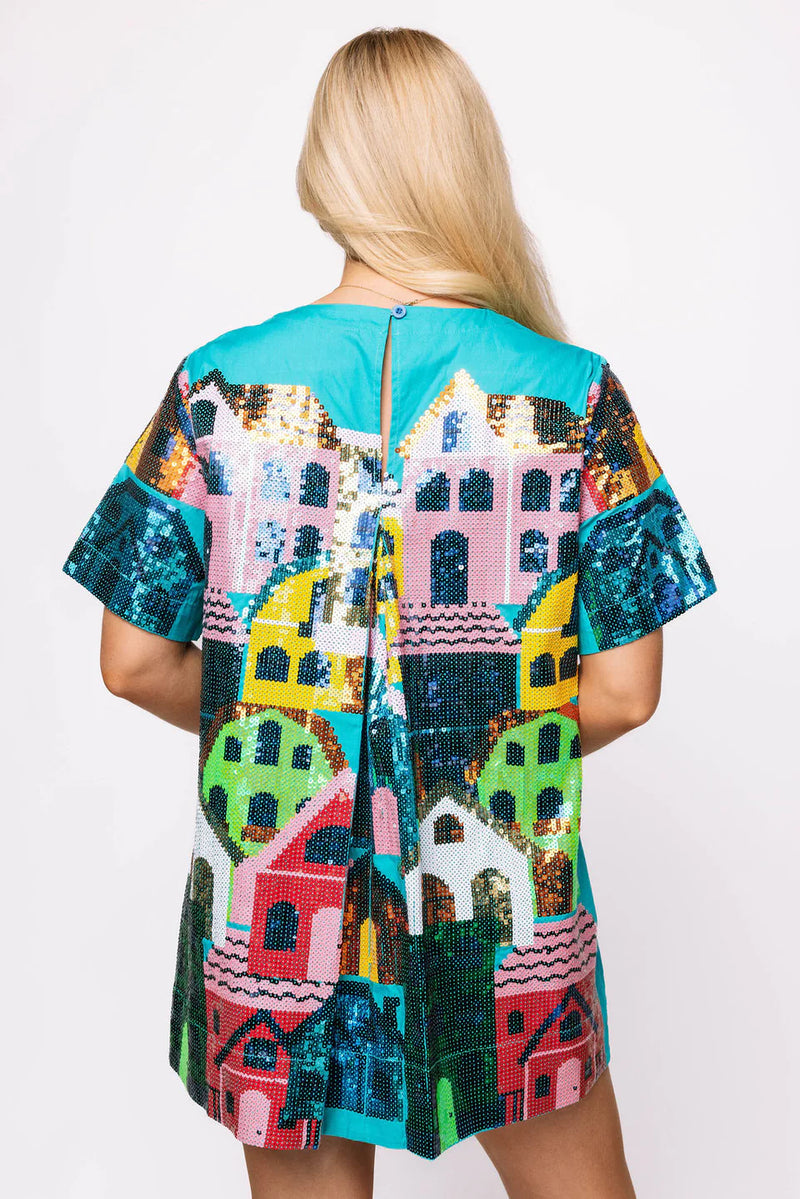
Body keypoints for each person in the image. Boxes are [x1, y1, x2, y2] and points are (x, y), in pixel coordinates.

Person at [61, 26, 717, 1199]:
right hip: (502, 897)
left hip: (275, 899)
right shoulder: (573, 396)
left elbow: (132, 662)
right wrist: (477, 748)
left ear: (326, 170)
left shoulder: (214, 387)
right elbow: (624, 693)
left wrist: (286, 736)